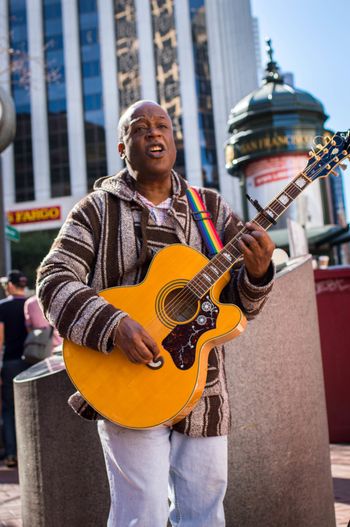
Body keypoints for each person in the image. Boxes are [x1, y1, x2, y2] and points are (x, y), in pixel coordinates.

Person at [37, 100, 275, 526]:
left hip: (203, 388)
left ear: (173, 141)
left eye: (162, 125)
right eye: (140, 127)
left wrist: (257, 273)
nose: (153, 132)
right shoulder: (95, 210)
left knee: (204, 513)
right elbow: (53, 278)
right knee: (139, 514)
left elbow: (240, 309)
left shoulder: (211, 209)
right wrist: (114, 325)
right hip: (126, 382)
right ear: (122, 146)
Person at [0, 270, 29, 468]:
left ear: (10, 285)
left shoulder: (3, 307)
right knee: (30, 409)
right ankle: (29, 455)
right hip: (32, 363)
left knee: (9, 409)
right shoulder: (32, 304)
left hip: (10, 363)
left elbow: (0, 340)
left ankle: (11, 454)